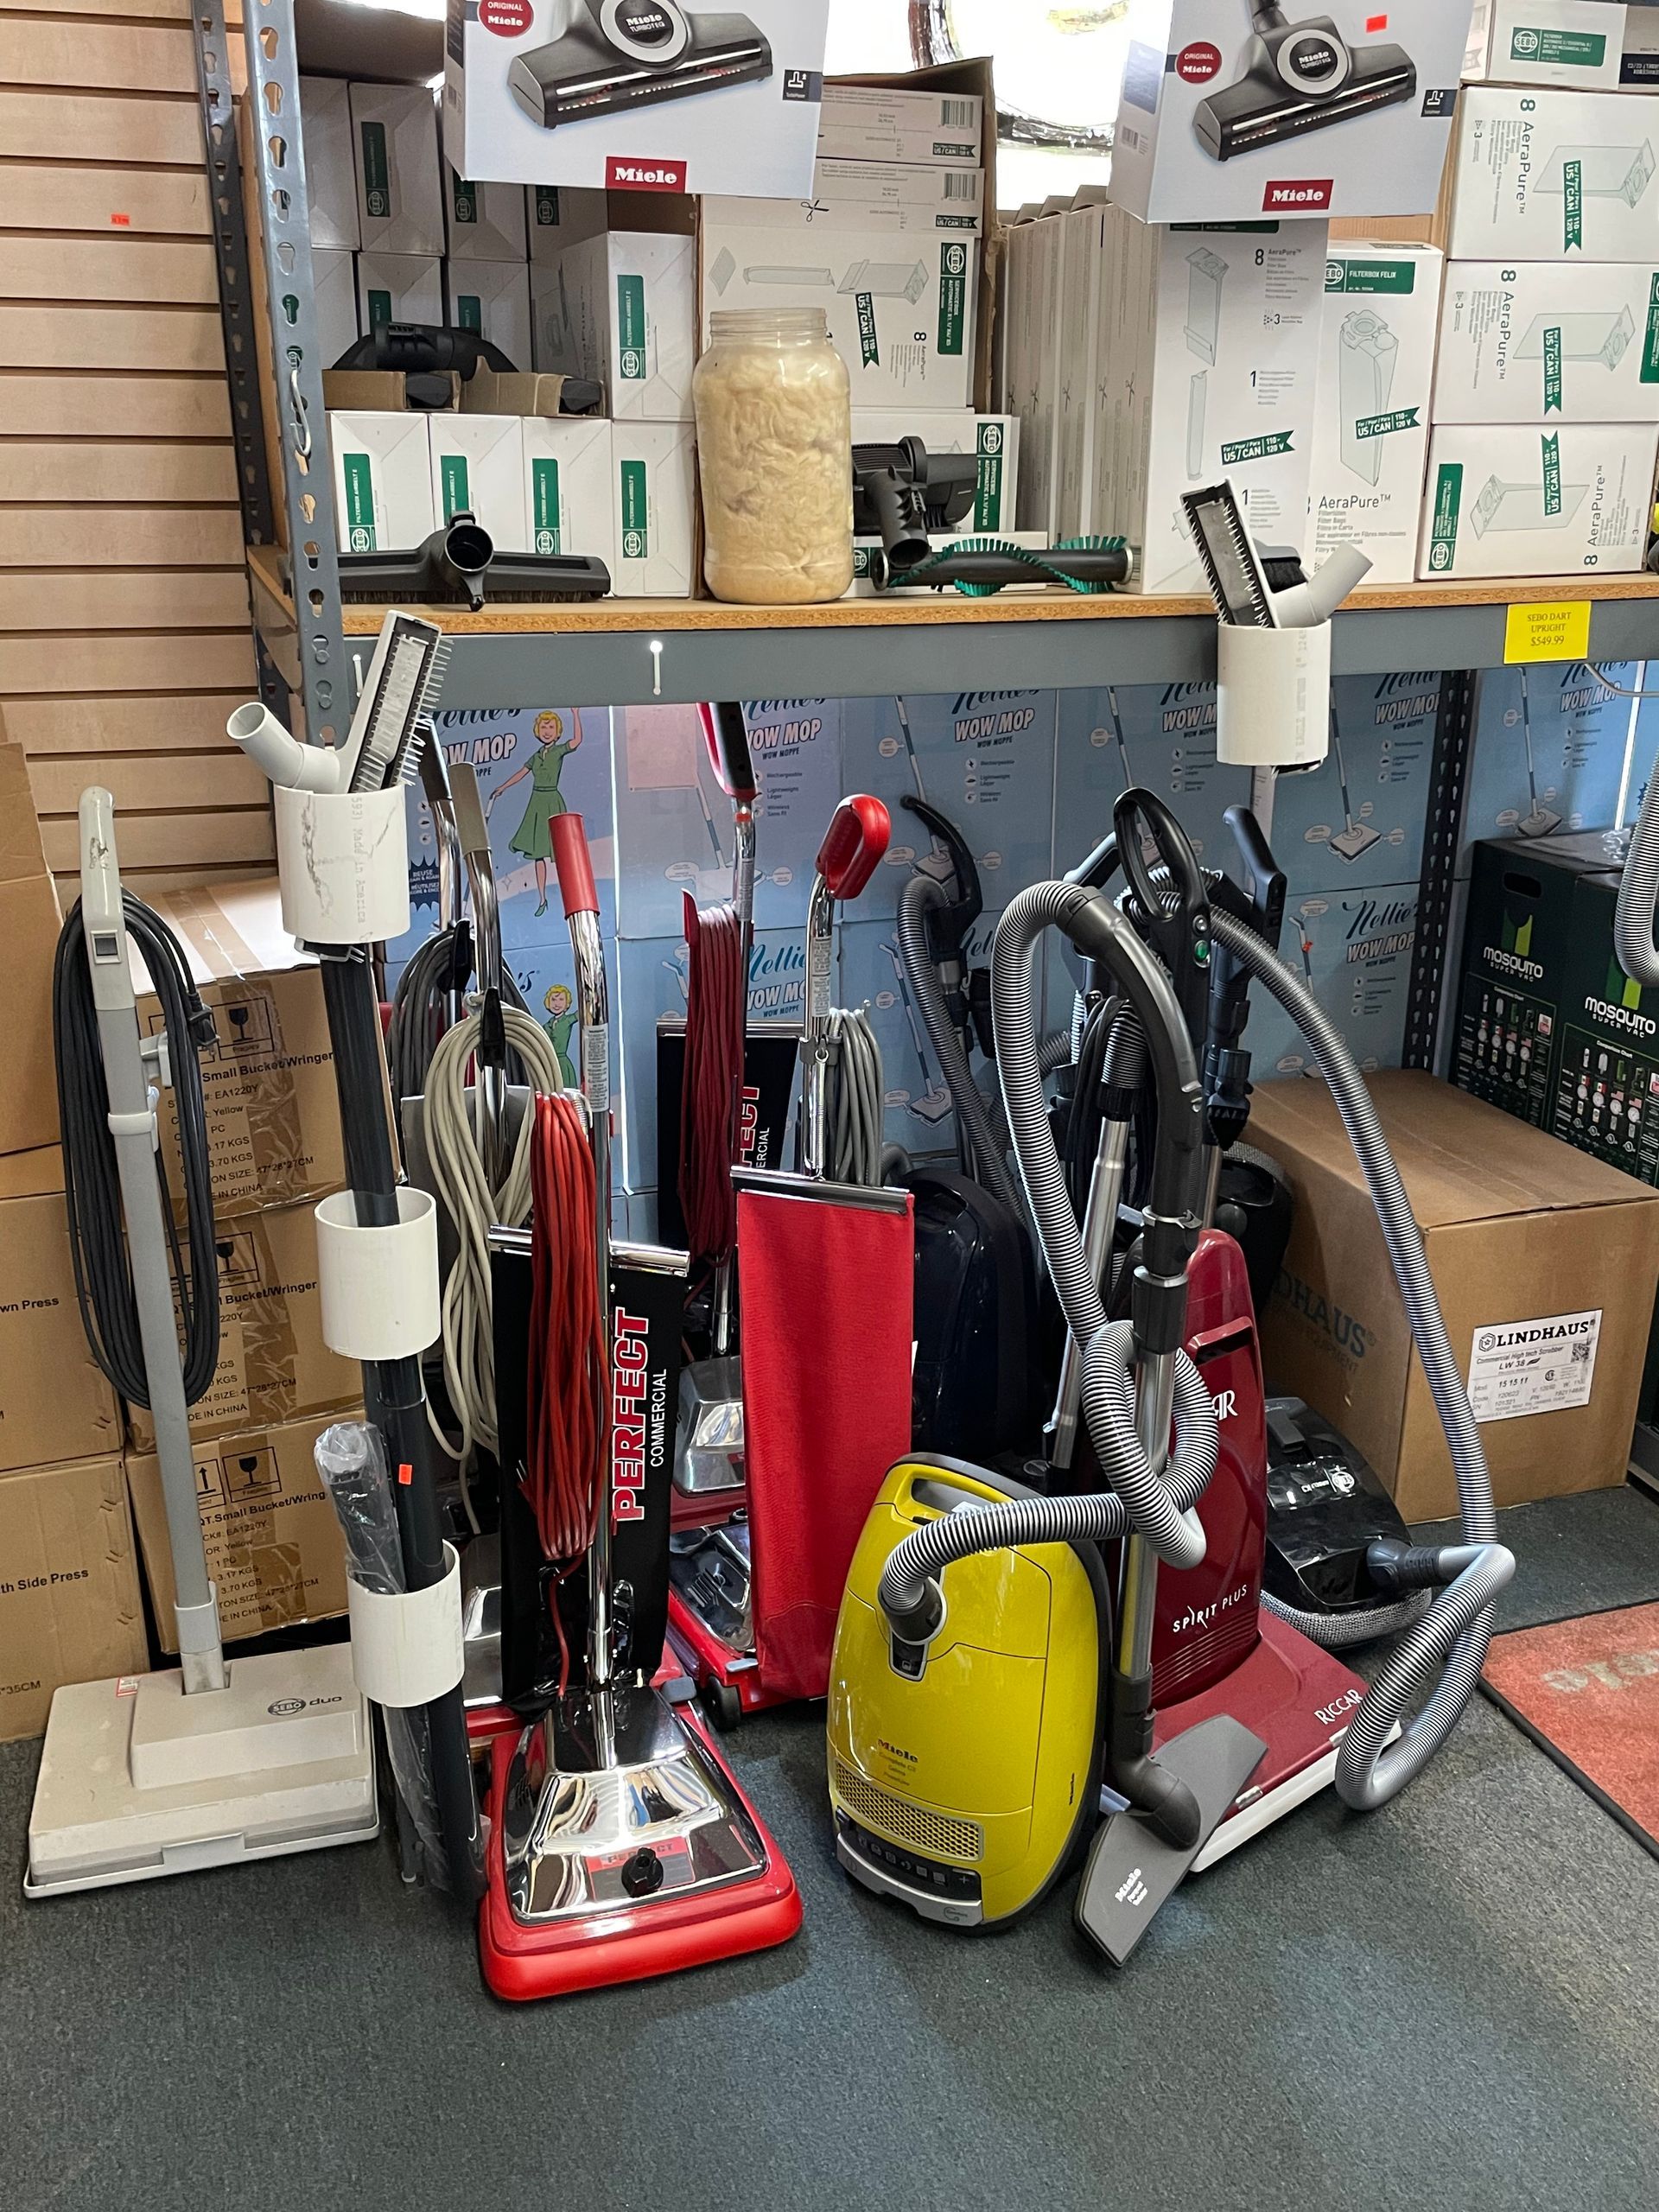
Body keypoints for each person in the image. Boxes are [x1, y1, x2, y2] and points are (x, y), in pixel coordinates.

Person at [488, 708, 584, 917]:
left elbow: (576, 741)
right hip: (536, 803)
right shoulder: (536, 756)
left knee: (560, 852)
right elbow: (521, 774)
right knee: (538, 854)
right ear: (537, 731)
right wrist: (502, 788)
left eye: (551, 727)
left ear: (558, 731)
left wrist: (576, 714)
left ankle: (569, 897)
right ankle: (542, 898)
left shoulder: (559, 751)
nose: (547, 731)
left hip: (552, 801)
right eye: (543, 727)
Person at [543, 982, 577, 1090]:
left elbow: (580, 1014)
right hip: (549, 1062)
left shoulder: (567, 1020)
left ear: (567, 1003)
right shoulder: (547, 1024)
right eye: (553, 1000)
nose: (557, 1004)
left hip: (562, 1063)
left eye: (561, 999)